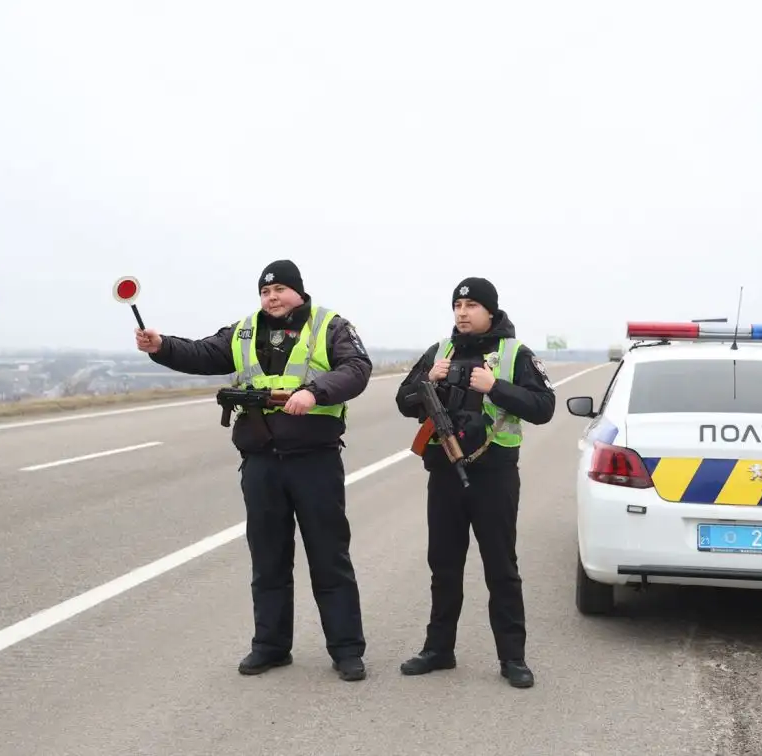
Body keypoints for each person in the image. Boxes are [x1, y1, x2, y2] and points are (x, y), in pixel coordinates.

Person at [134, 259, 373, 682]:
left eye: (280, 289)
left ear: (298, 291)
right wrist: (162, 346)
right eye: (265, 291)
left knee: (329, 557)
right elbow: (204, 352)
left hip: (314, 461)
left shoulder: (330, 326)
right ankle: (271, 646)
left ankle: (346, 650)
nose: (272, 297)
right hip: (261, 463)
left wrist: (314, 393)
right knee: (268, 560)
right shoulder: (244, 330)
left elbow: (356, 369)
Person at [393, 277, 556, 689]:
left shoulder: (515, 353)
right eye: (457, 305)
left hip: (494, 476)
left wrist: (494, 387)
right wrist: (427, 378)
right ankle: (438, 649)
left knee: (501, 568)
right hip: (444, 475)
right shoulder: (440, 351)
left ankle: (513, 658)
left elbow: (543, 407)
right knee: (443, 566)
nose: (462, 312)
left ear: (490, 310)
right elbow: (403, 401)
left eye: (471, 305)